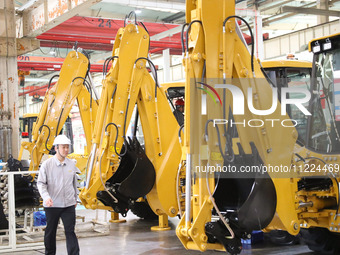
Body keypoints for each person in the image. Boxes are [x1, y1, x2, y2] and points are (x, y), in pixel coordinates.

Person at [37, 134, 80, 255]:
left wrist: (75, 198)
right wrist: (46, 197)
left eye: (67, 147)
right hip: (53, 205)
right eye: (63, 147)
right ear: (56, 148)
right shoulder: (47, 165)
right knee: (51, 231)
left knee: (70, 231)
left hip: (69, 205)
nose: (66, 150)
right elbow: (40, 183)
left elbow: (74, 183)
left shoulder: (71, 164)